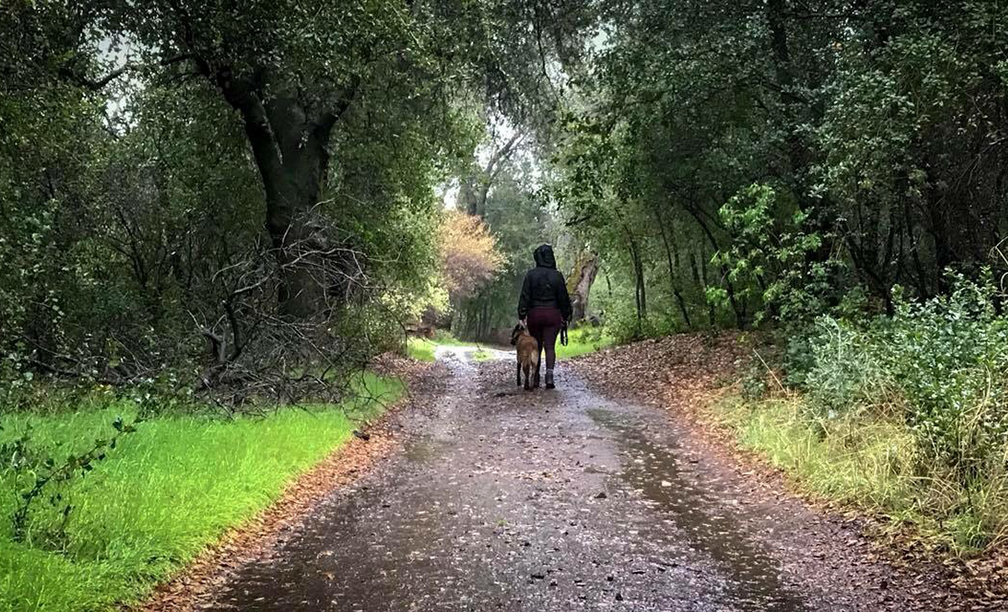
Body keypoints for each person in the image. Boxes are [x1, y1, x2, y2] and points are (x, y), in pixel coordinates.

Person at [517, 244, 572, 389]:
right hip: (553, 314)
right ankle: (549, 376)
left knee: (537, 345)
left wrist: (522, 314)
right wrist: (566, 315)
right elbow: (563, 298)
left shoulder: (531, 274)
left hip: (534, 313)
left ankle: (535, 376)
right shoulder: (557, 276)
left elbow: (525, 295)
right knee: (550, 346)